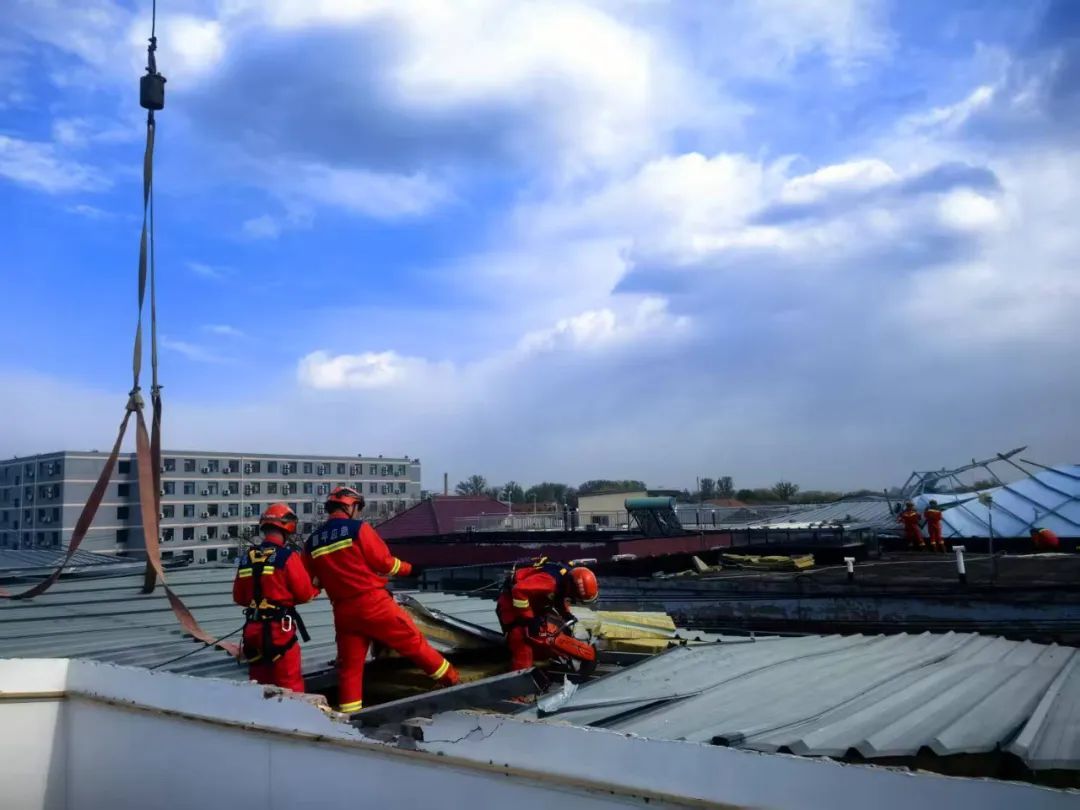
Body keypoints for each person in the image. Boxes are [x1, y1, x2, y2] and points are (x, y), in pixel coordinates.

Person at [303, 486, 459, 714]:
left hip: (343, 612)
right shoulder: (359, 529)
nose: (358, 513)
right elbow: (385, 563)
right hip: (374, 604)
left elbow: (311, 584)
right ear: (350, 506)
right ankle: (453, 681)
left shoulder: (312, 542)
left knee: (350, 669)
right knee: (414, 644)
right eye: (358, 508)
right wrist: (411, 569)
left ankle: (349, 718)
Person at [232, 503, 318, 692]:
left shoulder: (248, 558)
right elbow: (305, 594)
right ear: (288, 527)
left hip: (252, 632)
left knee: (259, 686)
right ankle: (293, 720)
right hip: (279, 632)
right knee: (290, 686)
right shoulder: (287, 557)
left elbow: (239, 597)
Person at [495, 557, 599, 671]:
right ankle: (519, 677)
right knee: (522, 639)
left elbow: (558, 598)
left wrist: (566, 615)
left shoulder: (566, 579)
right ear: (574, 589)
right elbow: (518, 590)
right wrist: (529, 619)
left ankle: (544, 655)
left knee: (545, 633)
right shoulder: (549, 582)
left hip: (532, 602)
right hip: (511, 604)